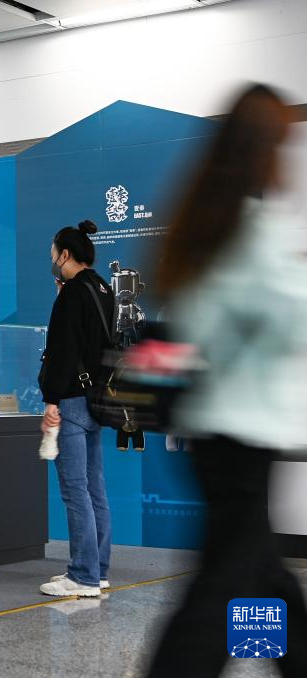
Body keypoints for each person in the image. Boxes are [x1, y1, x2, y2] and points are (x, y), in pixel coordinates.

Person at [145, 84, 307, 678]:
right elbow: (295, 320)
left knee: (264, 580)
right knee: (221, 593)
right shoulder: (253, 232)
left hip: (217, 435)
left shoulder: (207, 228)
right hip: (243, 437)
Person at [38, 219, 114, 598]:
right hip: (97, 398)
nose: (52, 260)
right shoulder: (103, 288)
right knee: (94, 488)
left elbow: (62, 351)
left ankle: (82, 575)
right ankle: (98, 570)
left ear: (65, 254)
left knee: (74, 490)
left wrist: (51, 399)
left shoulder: (72, 294)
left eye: (54, 254)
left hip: (71, 399)